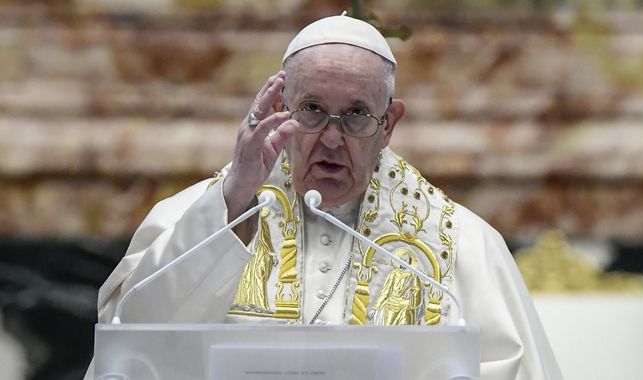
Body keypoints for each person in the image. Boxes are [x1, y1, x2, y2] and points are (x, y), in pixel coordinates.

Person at [86, 14, 563, 379]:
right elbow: (131, 344)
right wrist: (234, 202)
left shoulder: (462, 244)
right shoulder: (197, 216)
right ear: (279, 108)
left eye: (356, 114)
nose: (331, 139)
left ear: (388, 124)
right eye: (312, 110)